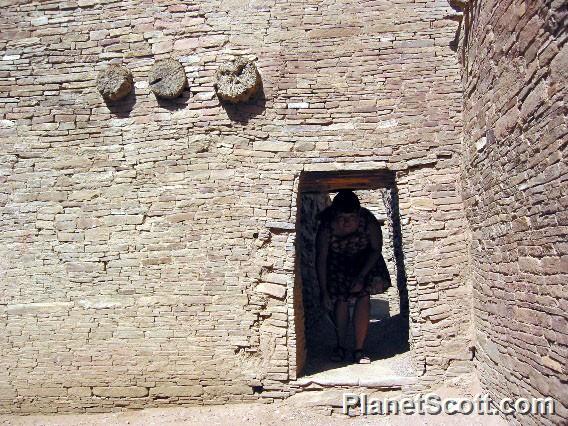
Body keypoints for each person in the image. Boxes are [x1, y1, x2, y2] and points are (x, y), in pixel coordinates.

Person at [316, 189, 391, 364]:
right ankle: (340, 346)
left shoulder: (368, 222)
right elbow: (321, 259)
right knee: (341, 300)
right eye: (341, 218)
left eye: (350, 218)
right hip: (338, 264)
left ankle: (359, 349)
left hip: (365, 260)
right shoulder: (327, 228)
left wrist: (361, 276)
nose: (345, 223)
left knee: (363, 297)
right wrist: (324, 292)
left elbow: (375, 249)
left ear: (358, 215)